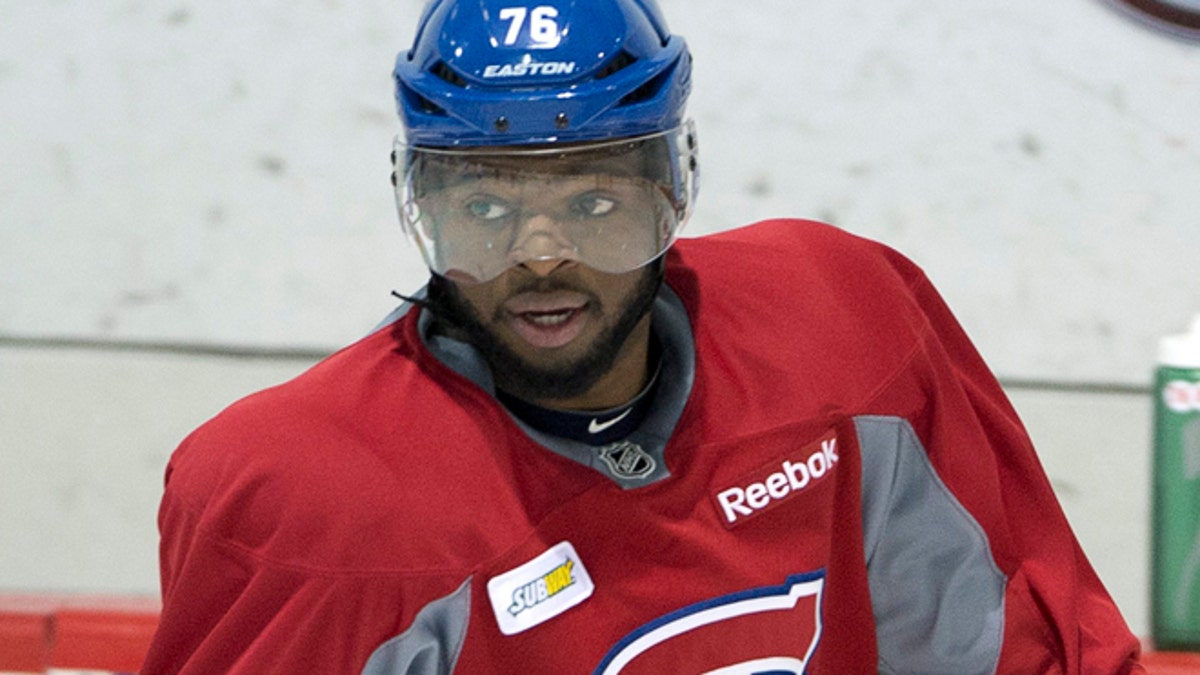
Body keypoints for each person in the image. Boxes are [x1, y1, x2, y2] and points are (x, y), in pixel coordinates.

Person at [143, 0, 1144, 672]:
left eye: (592, 200)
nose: (539, 255)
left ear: (673, 187)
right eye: (486, 208)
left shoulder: (843, 335)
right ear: (423, 205)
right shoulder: (313, 498)